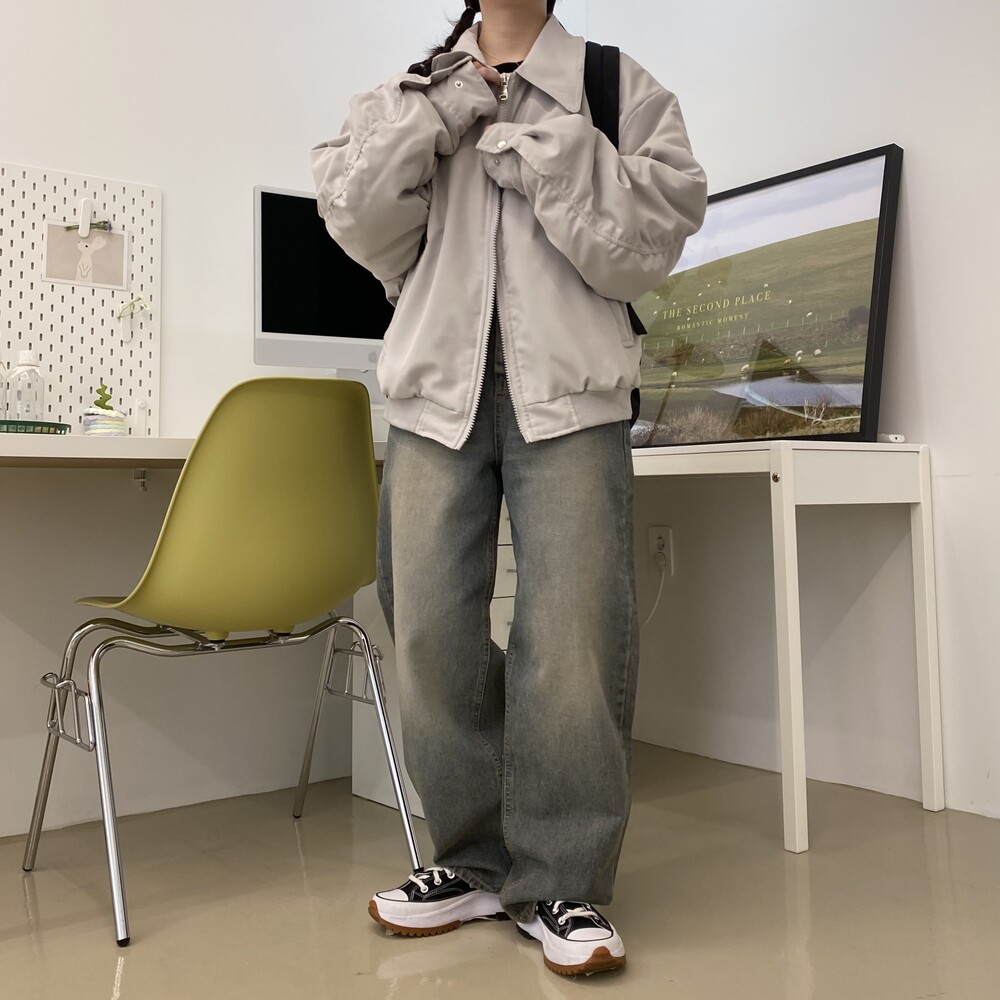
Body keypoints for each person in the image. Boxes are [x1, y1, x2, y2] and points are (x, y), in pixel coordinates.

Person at [312, 0, 706, 977]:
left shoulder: (616, 87)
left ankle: (563, 875)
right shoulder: (408, 92)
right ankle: (473, 857)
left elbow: (646, 250)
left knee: (572, 637)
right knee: (429, 636)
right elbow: (358, 223)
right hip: (432, 396)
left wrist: (549, 154)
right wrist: (436, 114)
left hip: (571, 394)